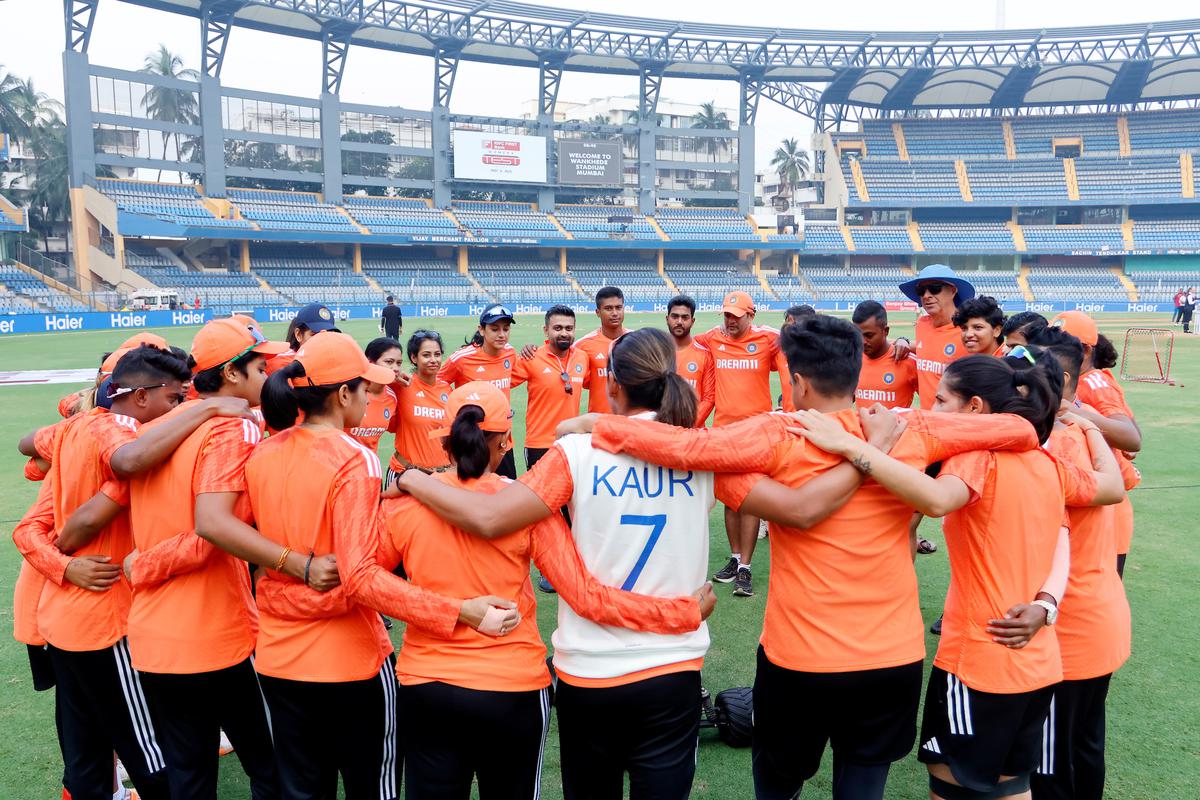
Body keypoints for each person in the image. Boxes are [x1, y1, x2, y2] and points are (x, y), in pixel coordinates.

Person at [564, 317, 1050, 800]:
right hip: (891, 656)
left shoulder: (780, 432)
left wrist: (598, 425)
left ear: (796, 380)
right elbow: (1021, 429)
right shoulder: (913, 427)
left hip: (800, 658)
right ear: (855, 370)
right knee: (863, 786)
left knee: (777, 785)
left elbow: (689, 446)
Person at [394, 328, 750, 799]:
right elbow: (798, 507)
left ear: (614, 387)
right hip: (668, 666)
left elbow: (367, 574)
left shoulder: (572, 454)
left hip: (584, 670)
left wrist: (412, 480)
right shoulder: (702, 452)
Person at [195, 331, 518, 799]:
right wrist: (458, 611)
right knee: (375, 787)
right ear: (345, 394)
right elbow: (362, 576)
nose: (372, 398)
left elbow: (244, 536)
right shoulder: (356, 459)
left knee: (303, 787)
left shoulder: (262, 453)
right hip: (351, 660)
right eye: (366, 389)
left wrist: (287, 572)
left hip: (278, 656)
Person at [790, 352, 1122, 800]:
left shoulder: (976, 458)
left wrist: (855, 447)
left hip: (980, 661)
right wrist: (1047, 603)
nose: (933, 410)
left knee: (955, 789)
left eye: (943, 400)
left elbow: (936, 500)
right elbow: (1110, 488)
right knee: (1013, 786)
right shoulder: (1046, 462)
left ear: (975, 409)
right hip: (1039, 664)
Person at [12, 346, 256, 800]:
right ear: (138, 395)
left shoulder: (74, 430)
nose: (178, 410)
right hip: (107, 620)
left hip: (60, 621)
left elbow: (31, 457)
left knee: (86, 755)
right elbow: (127, 462)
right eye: (174, 399)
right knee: (151, 757)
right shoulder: (123, 435)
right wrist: (210, 410)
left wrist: (63, 561)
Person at [120, 319, 289, 799]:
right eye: (260, 366)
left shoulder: (160, 423)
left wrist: (142, 564)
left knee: (190, 778)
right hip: (216, 635)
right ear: (232, 375)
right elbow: (213, 531)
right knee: (273, 767)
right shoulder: (230, 428)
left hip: (156, 635)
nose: (268, 375)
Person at [1005, 334, 1132, 800]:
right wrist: (1091, 427)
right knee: (1083, 745)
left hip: (1069, 625)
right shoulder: (1082, 435)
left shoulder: (1053, 447)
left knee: (1052, 762)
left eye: (1020, 384)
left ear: (1055, 385)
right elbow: (1124, 475)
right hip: (1097, 616)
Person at [695, 290, 793, 598]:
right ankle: (736, 558)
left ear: (751, 315)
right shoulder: (711, 338)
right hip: (723, 433)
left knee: (749, 499)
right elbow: (681, 341)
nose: (730, 322)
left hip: (756, 434)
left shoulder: (768, 339)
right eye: (727, 315)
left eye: (737, 317)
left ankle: (746, 568)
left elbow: (797, 341)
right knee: (729, 500)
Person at [1050, 311, 1142, 575]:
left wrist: (1077, 414)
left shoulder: (1093, 382)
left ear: (1086, 351)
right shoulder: (1080, 382)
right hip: (1090, 497)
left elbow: (1131, 437)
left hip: (1106, 507)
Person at [439, 304, 518, 479]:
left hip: (502, 440)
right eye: (495, 329)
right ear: (481, 330)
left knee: (505, 493)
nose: (502, 334)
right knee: (472, 493)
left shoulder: (510, 353)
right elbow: (438, 382)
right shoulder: (461, 358)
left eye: (506, 329)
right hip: (472, 440)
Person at [898, 264, 976, 409]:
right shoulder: (922, 324)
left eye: (935, 288)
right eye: (921, 290)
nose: (926, 296)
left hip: (955, 424)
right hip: (928, 422)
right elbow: (930, 348)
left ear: (953, 291)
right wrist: (903, 341)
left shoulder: (969, 333)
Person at [387, 330, 453, 484]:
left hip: (440, 478)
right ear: (413, 358)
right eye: (426, 355)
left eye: (437, 354)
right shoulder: (402, 386)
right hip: (405, 474)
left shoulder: (448, 390)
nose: (433, 360)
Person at [572, 286, 629, 414]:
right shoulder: (583, 345)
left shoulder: (638, 340)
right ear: (598, 312)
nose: (615, 313)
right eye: (608, 308)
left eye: (618, 307)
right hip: (599, 421)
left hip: (632, 422)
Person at [853, 300, 918, 410]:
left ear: (886, 331)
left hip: (897, 427)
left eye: (869, 335)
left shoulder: (908, 361)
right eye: (858, 334)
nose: (863, 341)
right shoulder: (853, 360)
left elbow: (931, 401)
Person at [665, 295, 715, 426]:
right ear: (667, 319)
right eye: (675, 316)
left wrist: (690, 424)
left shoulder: (705, 354)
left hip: (693, 434)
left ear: (692, 321)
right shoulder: (654, 353)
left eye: (685, 317)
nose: (679, 321)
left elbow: (709, 398)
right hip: (661, 432)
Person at [347, 337, 403, 455]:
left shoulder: (392, 398)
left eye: (399, 363)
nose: (396, 368)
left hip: (368, 467)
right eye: (389, 362)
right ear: (370, 363)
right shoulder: (350, 392)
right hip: (339, 466)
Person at [266, 302, 339, 376]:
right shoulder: (282, 365)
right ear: (299, 335)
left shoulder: (332, 361)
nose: (322, 341)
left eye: (329, 334)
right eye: (315, 334)